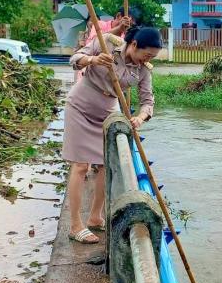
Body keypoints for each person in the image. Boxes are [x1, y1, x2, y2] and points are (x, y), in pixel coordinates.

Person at [63, 27, 161, 244]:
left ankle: (95, 217)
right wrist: (93, 60)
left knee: (105, 166)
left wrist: (140, 118)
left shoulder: (144, 70)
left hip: (107, 112)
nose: (148, 59)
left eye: (153, 57)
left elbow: (148, 102)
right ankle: (75, 225)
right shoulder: (105, 42)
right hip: (80, 105)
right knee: (81, 165)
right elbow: (74, 59)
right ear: (134, 44)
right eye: (147, 54)